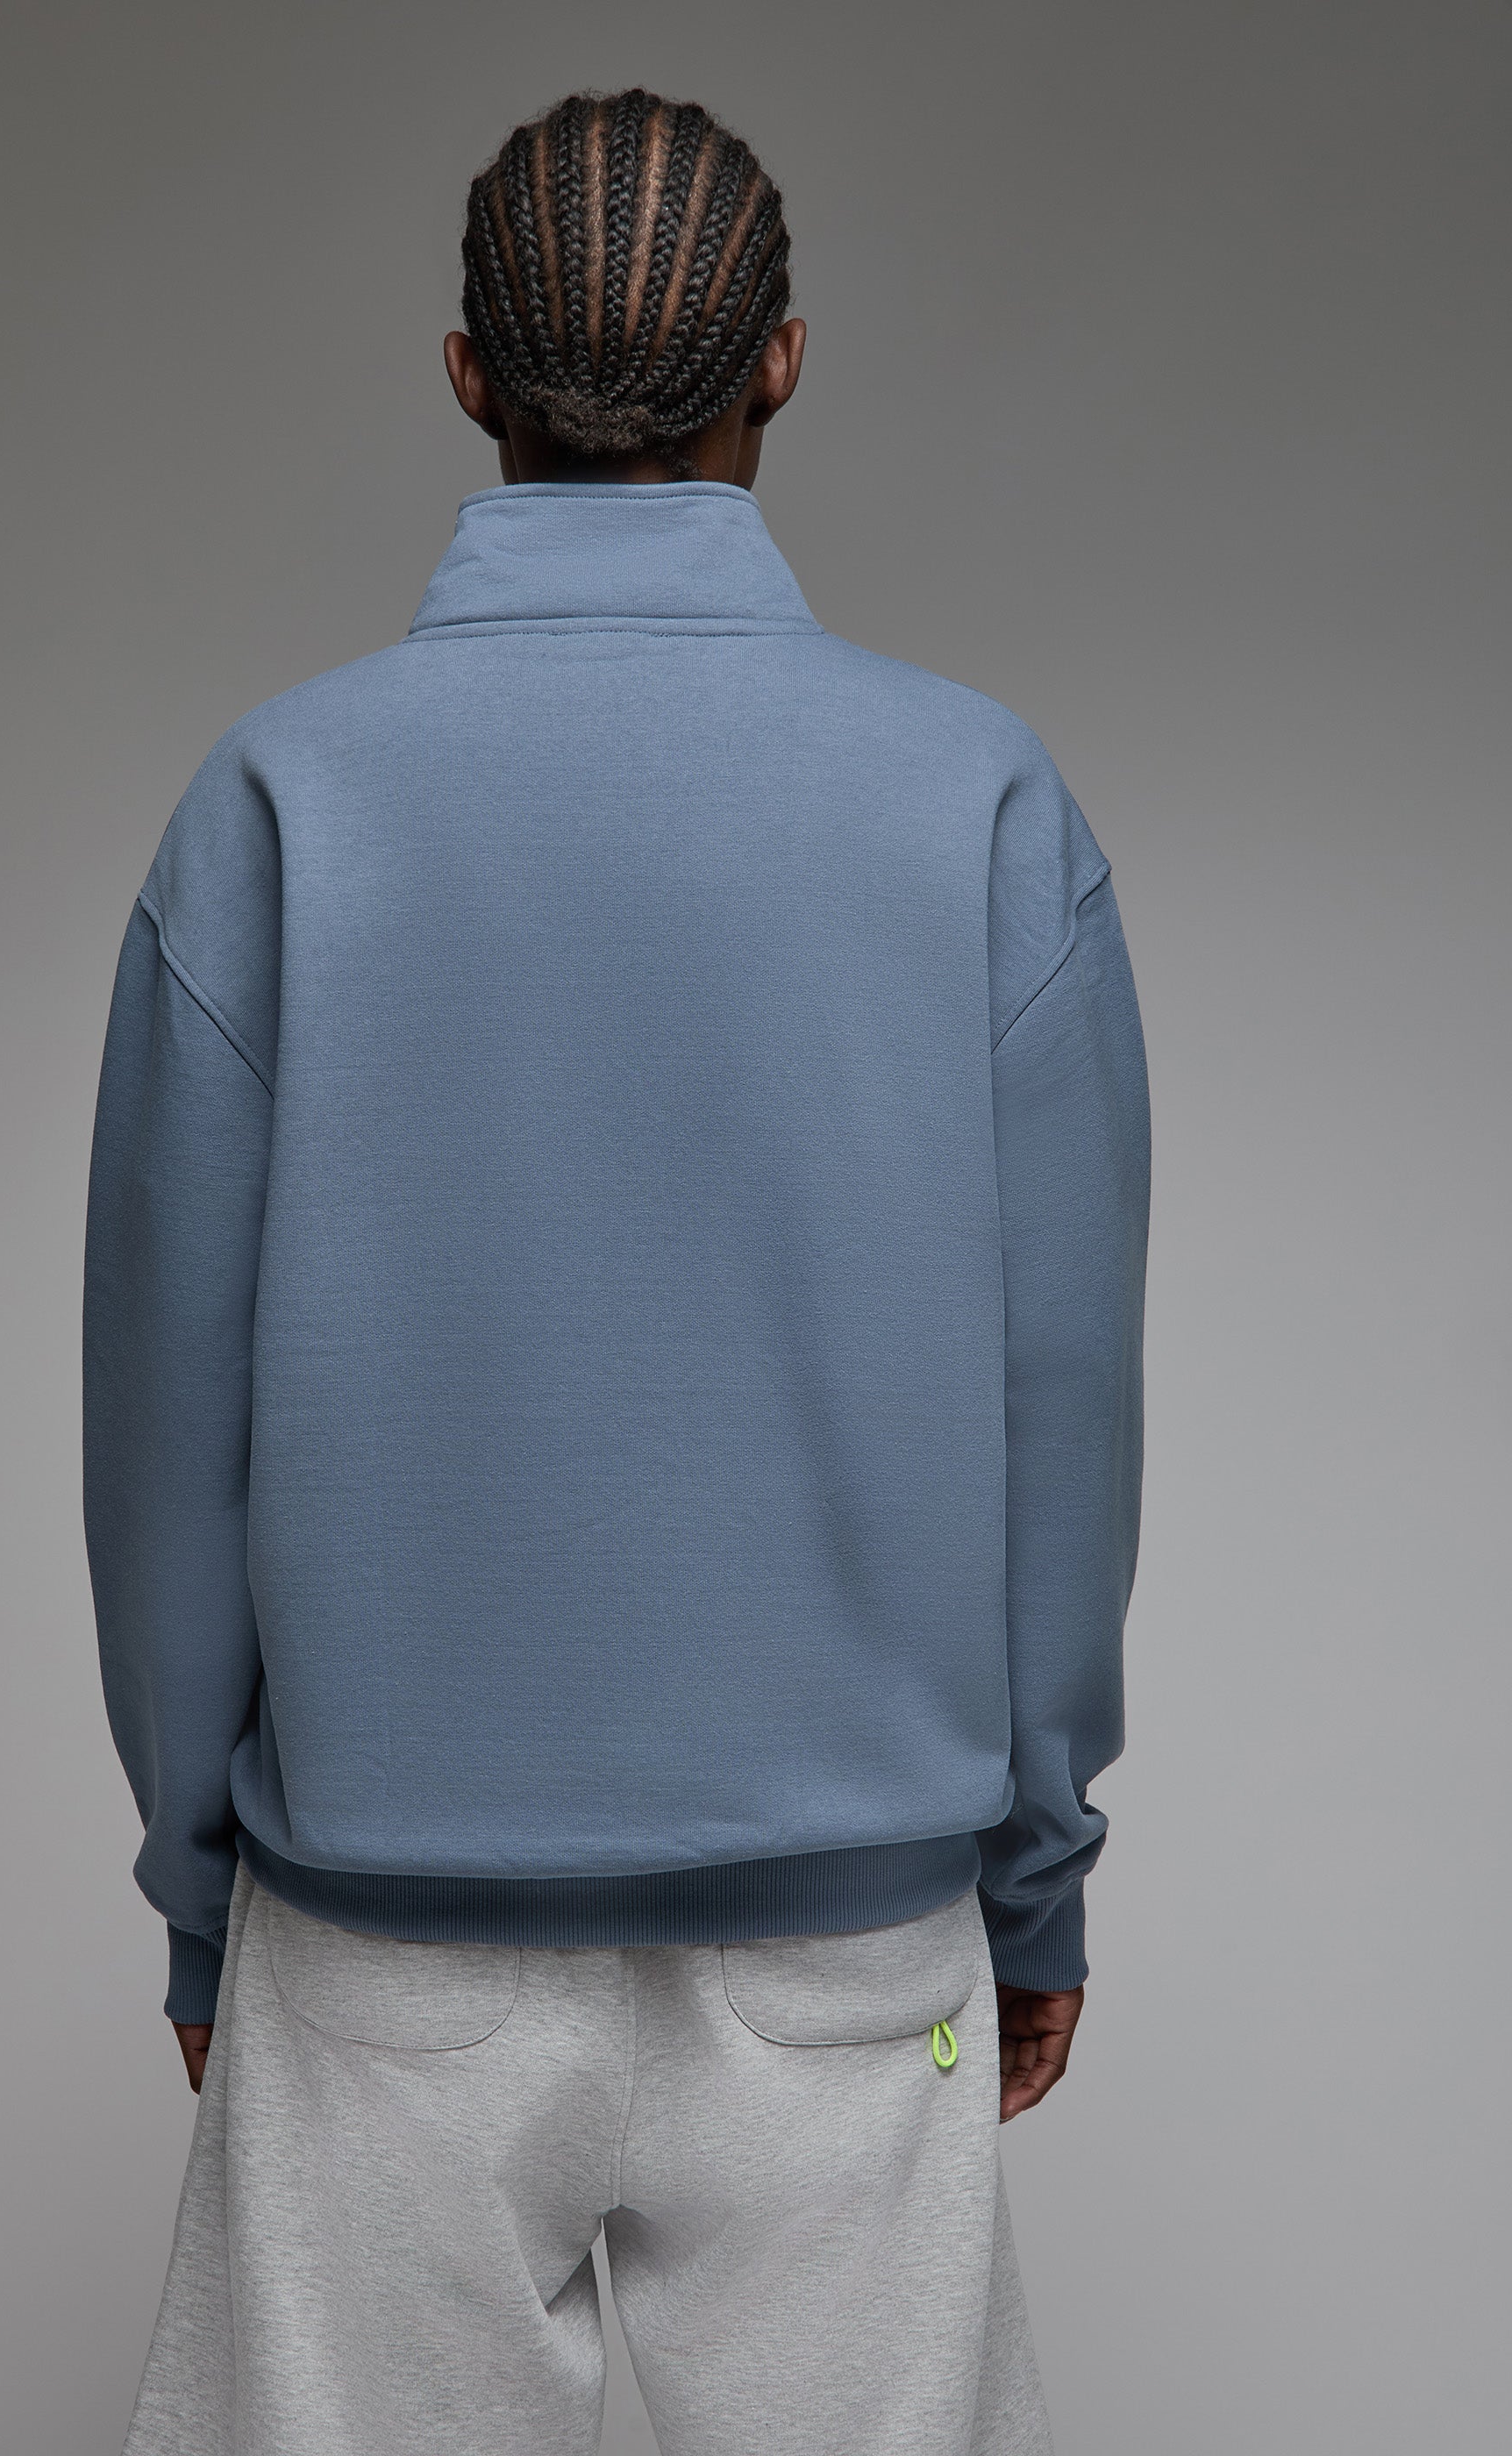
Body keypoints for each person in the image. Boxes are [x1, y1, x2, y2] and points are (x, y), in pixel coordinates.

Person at [83, 86, 1149, 2456]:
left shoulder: (279, 799)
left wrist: (199, 1893)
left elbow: (165, 1432)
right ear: (783, 364)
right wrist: (1038, 1878)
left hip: (382, 1952)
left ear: (468, 375)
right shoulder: (977, 796)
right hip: (852, 1944)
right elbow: (1063, 1406)